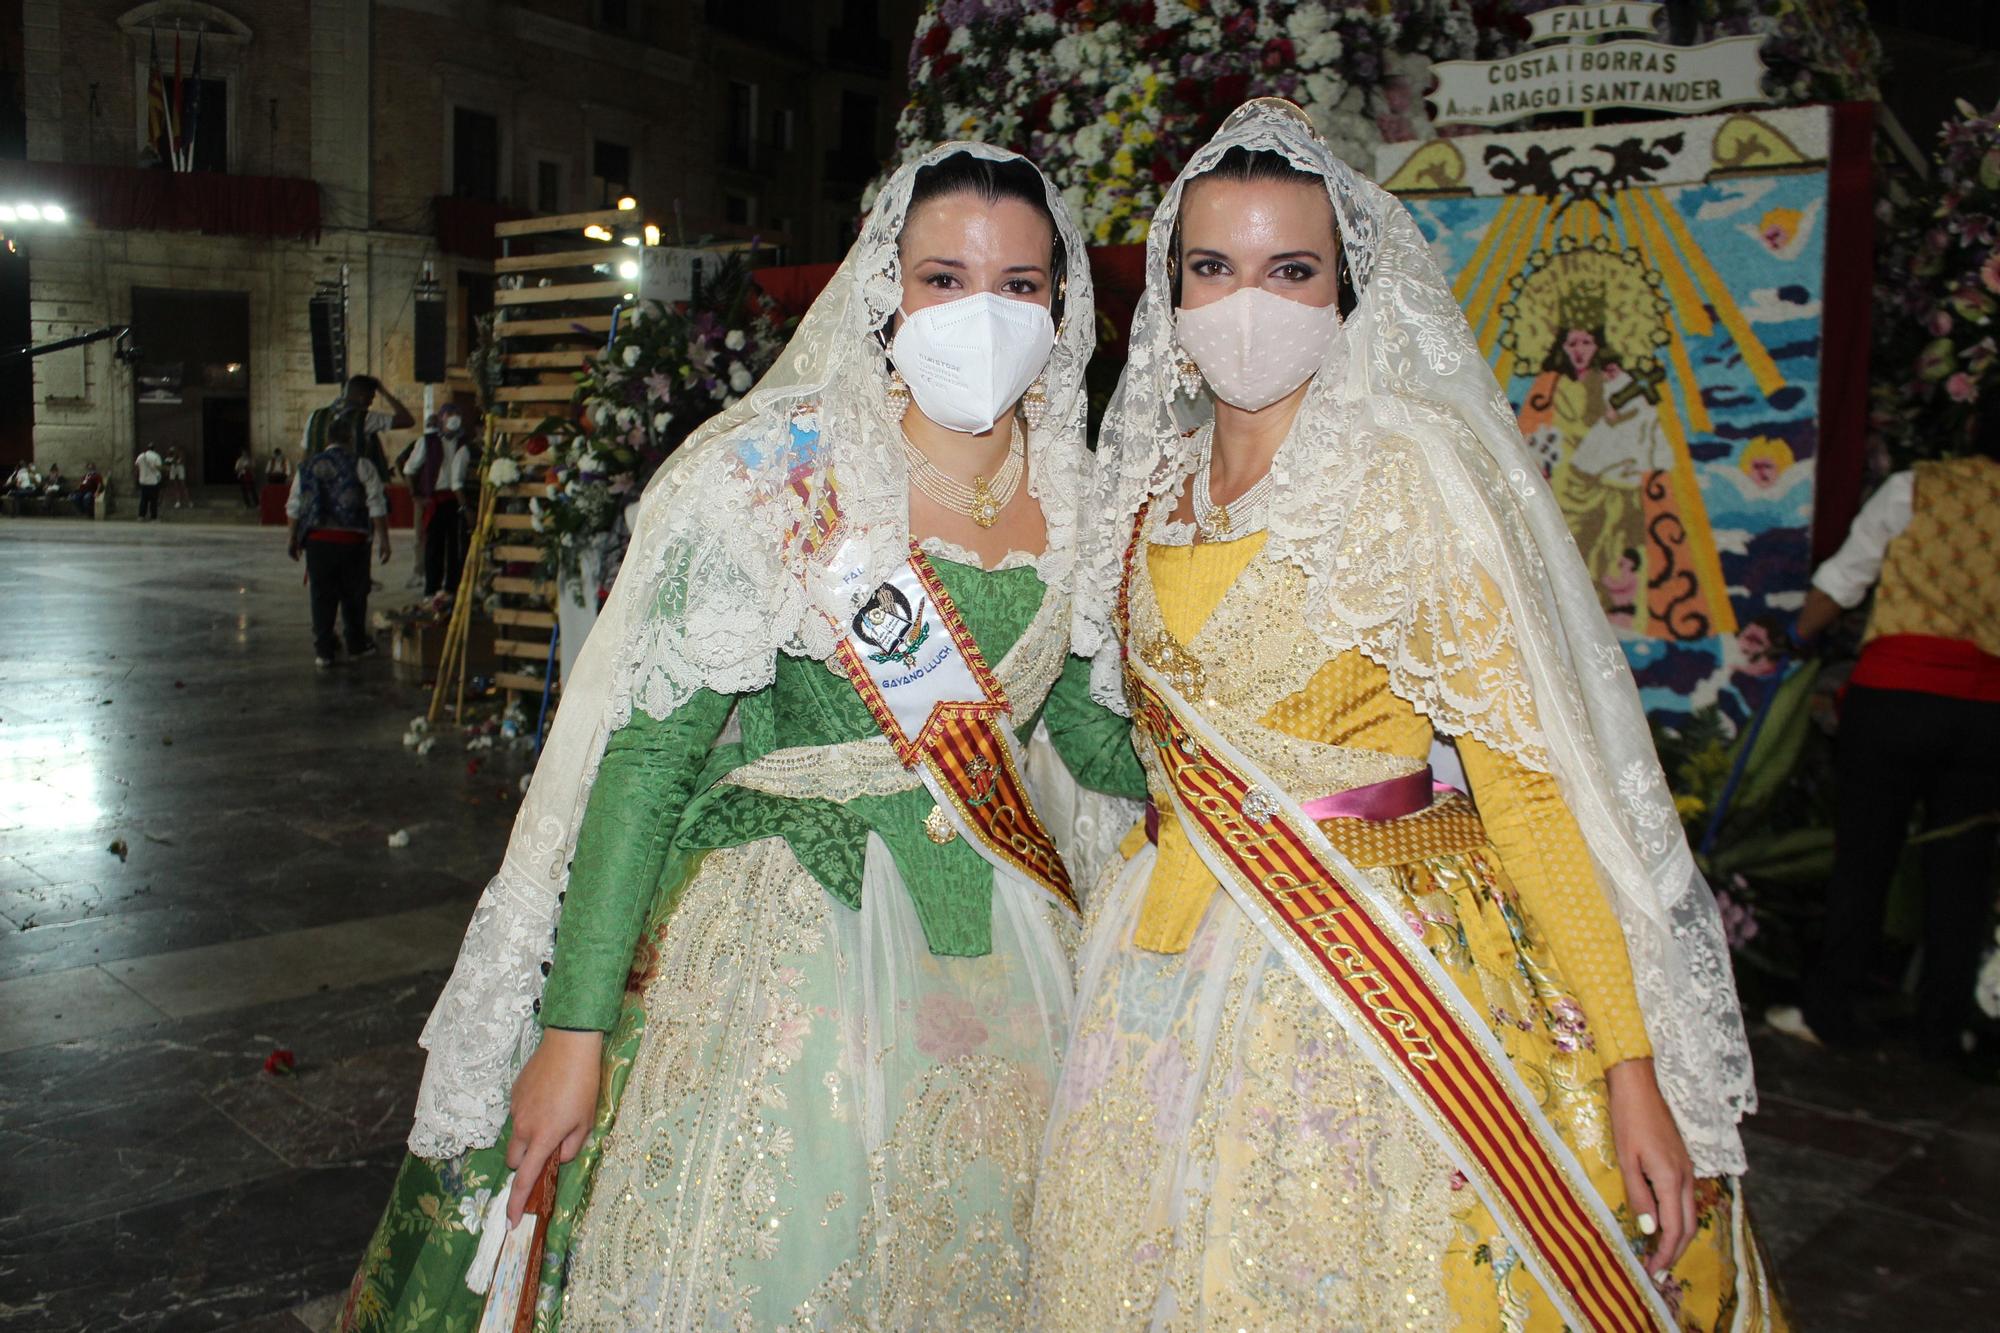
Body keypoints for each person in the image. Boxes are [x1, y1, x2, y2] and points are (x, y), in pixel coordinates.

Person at [336, 144, 1141, 1330]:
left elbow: (1075, 719)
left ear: (1059, 307)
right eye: (942, 278)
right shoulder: (778, 473)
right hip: (790, 944)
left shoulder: (1073, 493)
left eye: (1019, 285)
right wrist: (574, 1030)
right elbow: (648, 761)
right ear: (885, 293)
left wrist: (1246, 784)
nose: (983, 313)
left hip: (1005, 938)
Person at [1043, 101, 1783, 1330]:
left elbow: (1527, 788)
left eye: (1290, 269)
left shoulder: (1404, 479)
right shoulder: (1149, 493)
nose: (1247, 302)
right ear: (1167, 293)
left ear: (1345, 290)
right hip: (1162, 959)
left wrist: (1629, 1065)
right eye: (1211, 268)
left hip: (1377, 967)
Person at [1774, 417, 2000, 1062]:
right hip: (1986, 710)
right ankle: (1941, 1028)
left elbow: (1846, 579)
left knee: (1864, 857)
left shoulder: (1917, 487)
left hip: (1896, 699)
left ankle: (1832, 1009)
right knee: (1963, 868)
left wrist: (1798, 639)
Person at [286, 416, 391, 667]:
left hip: (317, 541)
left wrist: (292, 538)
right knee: (354, 594)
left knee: (321, 594)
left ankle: (324, 651)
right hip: (352, 541)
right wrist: (384, 540)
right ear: (350, 439)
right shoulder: (362, 464)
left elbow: (294, 506)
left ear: (327, 439)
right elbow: (376, 503)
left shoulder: (307, 466)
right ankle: (355, 644)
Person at [402, 405, 479, 599]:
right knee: (433, 546)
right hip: (435, 498)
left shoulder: (464, 443)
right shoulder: (427, 442)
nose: (455, 419)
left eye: (458, 415)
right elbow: (409, 469)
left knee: (456, 545)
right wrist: (415, 495)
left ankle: (452, 587)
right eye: (450, 415)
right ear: (441, 418)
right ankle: (431, 589)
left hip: (457, 498)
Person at [303, 374, 415, 480]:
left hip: (319, 488)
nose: (370, 403)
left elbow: (306, 453)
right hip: (352, 487)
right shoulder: (365, 419)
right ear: (362, 397)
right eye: (371, 398)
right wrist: (383, 391)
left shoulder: (315, 416)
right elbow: (407, 420)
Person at [133, 444, 164, 521]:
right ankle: (153, 517)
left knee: (143, 500)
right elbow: (159, 467)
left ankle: (141, 516)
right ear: (154, 449)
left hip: (143, 481)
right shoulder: (156, 456)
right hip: (153, 482)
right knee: (153, 501)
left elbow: (136, 467)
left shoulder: (141, 456)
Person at [164, 446, 192, 510]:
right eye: (171, 452)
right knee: (175, 486)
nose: (172, 453)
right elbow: (167, 465)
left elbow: (178, 462)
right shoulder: (168, 458)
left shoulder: (180, 457)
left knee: (183, 485)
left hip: (179, 468)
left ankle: (188, 501)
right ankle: (178, 501)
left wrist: (175, 458)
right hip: (173, 469)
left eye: (173, 452)